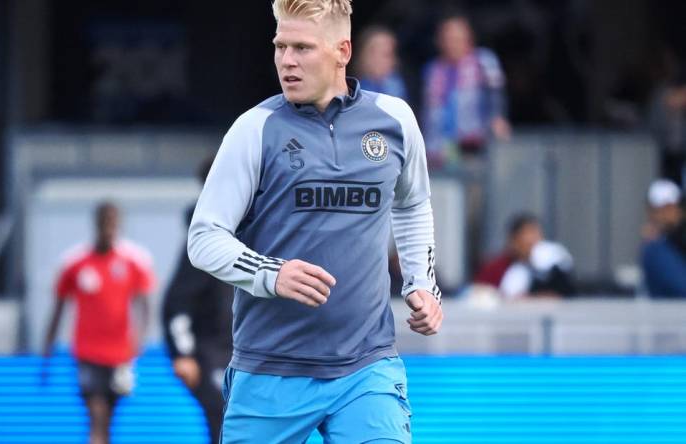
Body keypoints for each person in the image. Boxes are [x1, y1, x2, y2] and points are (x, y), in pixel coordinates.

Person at [187, 1, 443, 442]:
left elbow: (413, 203)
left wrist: (421, 281)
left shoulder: (395, 121)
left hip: (368, 367)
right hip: (270, 370)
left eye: (302, 47)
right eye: (280, 46)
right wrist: (272, 273)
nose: (287, 60)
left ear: (342, 50)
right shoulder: (254, 129)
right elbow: (204, 238)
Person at [43, 202, 156, 444]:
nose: (108, 228)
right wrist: (47, 350)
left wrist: (139, 341)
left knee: (109, 416)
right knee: (96, 413)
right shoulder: (75, 263)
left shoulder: (133, 260)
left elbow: (145, 304)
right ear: (95, 223)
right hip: (87, 352)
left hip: (120, 354)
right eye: (104, 222)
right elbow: (58, 308)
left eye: (113, 222)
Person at [161, 156, 233, 444]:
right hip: (210, 355)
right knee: (226, 421)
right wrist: (184, 354)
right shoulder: (204, 241)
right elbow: (176, 303)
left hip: (240, 351)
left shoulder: (242, 233)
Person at [420, 13, 510, 168]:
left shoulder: (485, 60)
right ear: (439, 41)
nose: (452, 43)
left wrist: (498, 118)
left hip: (474, 146)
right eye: (447, 38)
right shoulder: (433, 69)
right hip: (439, 150)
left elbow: (497, 95)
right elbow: (427, 111)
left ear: (469, 38)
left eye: (457, 38)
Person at [474, 213, 574, 299]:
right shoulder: (496, 268)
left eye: (536, 234)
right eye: (527, 234)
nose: (533, 239)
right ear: (513, 240)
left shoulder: (552, 267)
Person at [641, 179, 686, 297]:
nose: (667, 215)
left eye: (671, 208)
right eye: (661, 209)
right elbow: (681, 287)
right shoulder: (655, 249)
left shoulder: (676, 240)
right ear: (651, 212)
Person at [354, 26, 408, 101]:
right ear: (368, 57)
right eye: (387, 55)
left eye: (394, 54)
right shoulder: (356, 94)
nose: (394, 61)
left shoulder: (395, 85)